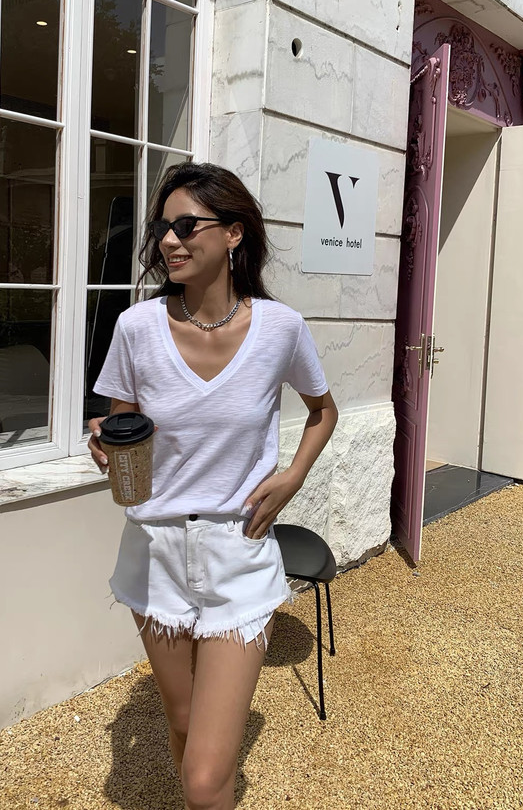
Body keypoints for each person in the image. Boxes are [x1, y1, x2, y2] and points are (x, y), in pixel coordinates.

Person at [88, 162, 338, 810]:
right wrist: (106, 442)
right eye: (161, 229)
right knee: (180, 720)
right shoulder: (136, 328)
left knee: (204, 777)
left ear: (233, 233)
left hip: (238, 552)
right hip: (154, 553)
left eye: (185, 225)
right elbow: (121, 422)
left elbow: (322, 410)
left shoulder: (280, 329)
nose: (169, 241)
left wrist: (291, 478)